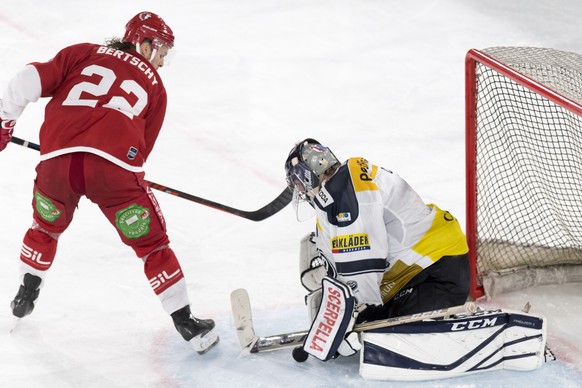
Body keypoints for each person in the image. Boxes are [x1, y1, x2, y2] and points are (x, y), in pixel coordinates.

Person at [0, 11, 218, 354]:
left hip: (56, 165)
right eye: (160, 52)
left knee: (44, 227)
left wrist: (4, 123)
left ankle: (27, 289)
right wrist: (129, 180)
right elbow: (141, 151)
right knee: (152, 245)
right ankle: (186, 322)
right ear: (143, 44)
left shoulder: (83, 53)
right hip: (113, 173)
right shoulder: (155, 87)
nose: (161, 62)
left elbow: (26, 80)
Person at [284, 138, 470, 361]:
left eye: (298, 183)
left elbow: (362, 263)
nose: (301, 191)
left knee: (383, 336)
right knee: (370, 324)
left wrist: (350, 320)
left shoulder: (346, 192)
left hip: (438, 271)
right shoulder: (339, 188)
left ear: (310, 173)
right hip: (418, 268)